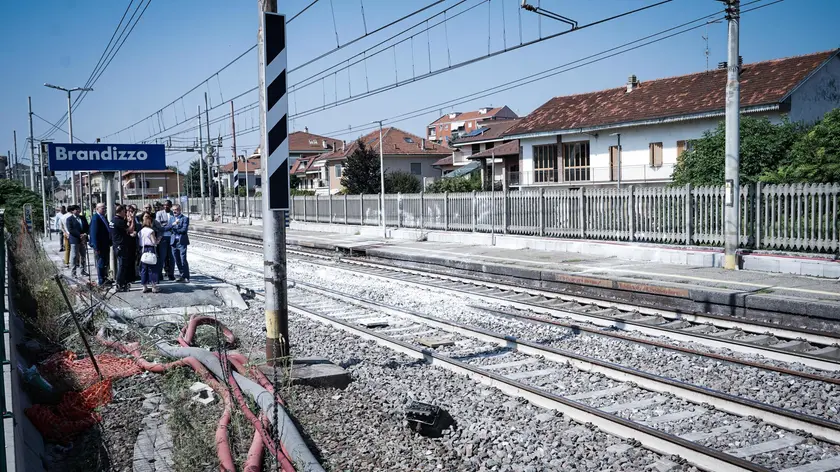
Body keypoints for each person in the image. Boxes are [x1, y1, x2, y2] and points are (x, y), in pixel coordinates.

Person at [111, 205, 137, 292]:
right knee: (122, 266)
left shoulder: (113, 220)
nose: (125, 213)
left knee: (122, 265)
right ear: (121, 211)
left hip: (117, 245)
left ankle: (122, 283)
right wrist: (132, 220)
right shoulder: (118, 221)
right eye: (124, 212)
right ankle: (119, 284)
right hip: (121, 246)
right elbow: (130, 229)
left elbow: (123, 231)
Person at [89, 203, 112, 286]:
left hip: (105, 244)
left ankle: (105, 278)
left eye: (105, 208)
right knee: (101, 263)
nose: (104, 209)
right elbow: (94, 233)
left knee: (105, 262)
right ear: (97, 209)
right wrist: (96, 247)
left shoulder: (103, 217)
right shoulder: (96, 218)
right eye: (102, 208)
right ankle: (101, 280)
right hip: (100, 246)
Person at [138, 213, 160, 293]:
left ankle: (144, 286)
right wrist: (158, 240)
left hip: (143, 250)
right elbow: (154, 242)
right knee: (152, 268)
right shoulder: (151, 231)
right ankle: (154, 286)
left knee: (144, 269)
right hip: (150, 249)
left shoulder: (140, 231)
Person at [66, 205, 89, 277]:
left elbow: (87, 227)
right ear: (72, 211)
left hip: (83, 239)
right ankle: (73, 272)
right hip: (75, 239)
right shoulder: (69, 219)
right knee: (74, 256)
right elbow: (71, 229)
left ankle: (83, 270)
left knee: (83, 255)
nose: (78, 211)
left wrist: (85, 234)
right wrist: (80, 235)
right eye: (76, 209)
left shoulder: (82, 218)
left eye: (79, 209)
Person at [170, 204, 190, 283]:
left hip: (181, 242)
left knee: (183, 259)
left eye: (176, 209)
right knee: (177, 260)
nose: (175, 211)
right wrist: (173, 226)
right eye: (173, 210)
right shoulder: (171, 219)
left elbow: (184, 230)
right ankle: (182, 275)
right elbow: (169, 227)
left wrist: (174, 227)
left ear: (180, 210)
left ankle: (186, 276)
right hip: (173, 242)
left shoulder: (185, 218)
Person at [155, 200, 175, 281]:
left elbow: (176, 225)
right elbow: (159, 226)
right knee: (162, 257)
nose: (166, 206)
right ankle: (160, 275)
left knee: (172, 257)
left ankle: (171, 274)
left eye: (168, 205)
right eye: (165, 205)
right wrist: (170, 226)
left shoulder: (173, 213)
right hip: (162, 238)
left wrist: (165, 226)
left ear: (170, 206)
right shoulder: (159, 213)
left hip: (172, 238)